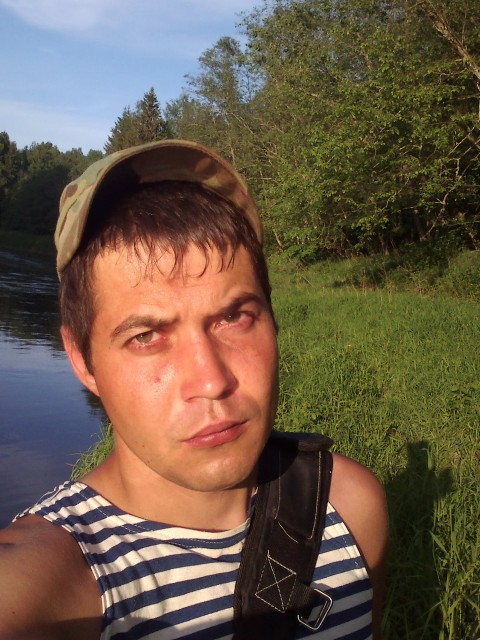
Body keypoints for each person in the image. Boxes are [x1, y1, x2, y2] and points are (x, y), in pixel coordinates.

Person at [0, 140, 388, 640]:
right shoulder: (50, 584)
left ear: (272, 318)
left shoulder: (350, 510)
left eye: (234, 317)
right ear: (82, 361)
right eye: (146, 336)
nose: (211, 380)